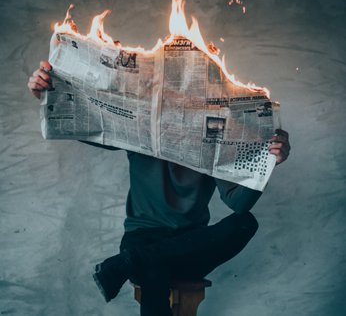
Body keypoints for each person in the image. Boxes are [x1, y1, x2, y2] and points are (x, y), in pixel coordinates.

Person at [28, 61, 291, 316]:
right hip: (144, 237)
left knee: (245, 223)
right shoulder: (138, 128)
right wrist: (47, 93)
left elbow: (239, 204)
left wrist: (267, 163)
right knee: (153, 264)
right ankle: (135, 259)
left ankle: (130, 261)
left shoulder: (215, 139)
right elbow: (84, 128)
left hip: (190, 245)